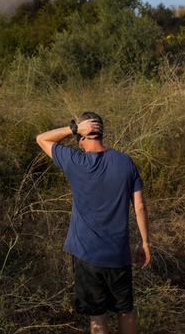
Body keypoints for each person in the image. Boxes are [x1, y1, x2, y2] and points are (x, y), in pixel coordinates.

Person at [35, 112, 150, 334]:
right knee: (125, 310)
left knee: (97, 317)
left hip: (87, 255)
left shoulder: (75, 160)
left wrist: (72, 129)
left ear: (82, 136)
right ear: (102, 133)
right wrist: (145, 242)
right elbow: (140, 207)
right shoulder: (125, 162)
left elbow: (41, 138)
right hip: (118, 255)